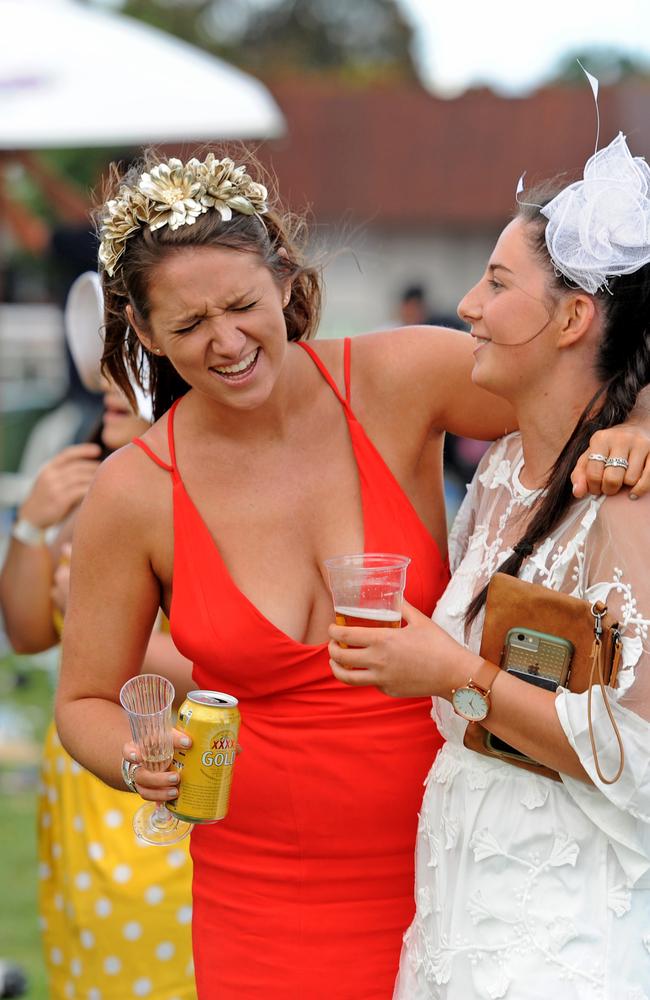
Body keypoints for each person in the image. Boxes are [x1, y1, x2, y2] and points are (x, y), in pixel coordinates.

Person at [54, 149, 650, 999]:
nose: (226, 343)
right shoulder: (134, 492)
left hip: (452, 881)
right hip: (261, 903)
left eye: (241, 306)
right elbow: (82, 701)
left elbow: (582, 380)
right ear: (144, 332)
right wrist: (139, 761)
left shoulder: (398, 379)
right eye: (187, 328)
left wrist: (643, 427)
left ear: (285, 282)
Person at [328, 131, 650, 998]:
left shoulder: (632, 493)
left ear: (573, 318)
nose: (467, 305)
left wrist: (456, 675)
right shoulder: (504, 470)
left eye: (499, 283)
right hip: (458, 914)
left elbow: (642, 760)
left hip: (567, 940)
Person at [0, 379, 197, 1000]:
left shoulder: (201, 501)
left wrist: (105, 633)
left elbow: (234, 671)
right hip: (79, 788)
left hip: (158, 795)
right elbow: (30, 634)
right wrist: (32, 528)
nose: (105, 382)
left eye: (128, 365)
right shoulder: (95, 493)